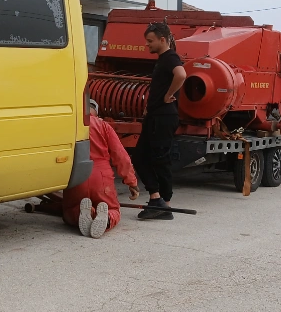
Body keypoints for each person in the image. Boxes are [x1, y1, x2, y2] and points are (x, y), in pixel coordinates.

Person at [59, 99, 140, 238]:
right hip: (102, 177)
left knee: (68, 211)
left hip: (77, 175)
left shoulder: (70, 125)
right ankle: (107, 218)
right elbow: (121, 156)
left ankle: (84, 212)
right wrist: (131, 182)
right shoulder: (103, 125)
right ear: (95, 112)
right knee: (114, 209)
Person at [133, 22, 186, 220]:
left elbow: (181, 74)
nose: (147, 44)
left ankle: (161, 201)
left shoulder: (170, 57)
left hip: (163, 117)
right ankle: (160, 202)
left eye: (150, 41)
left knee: (156, 159)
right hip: (156, 115)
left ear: (162, 40)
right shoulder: (163, 59)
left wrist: (169, 94)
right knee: (145, 157)